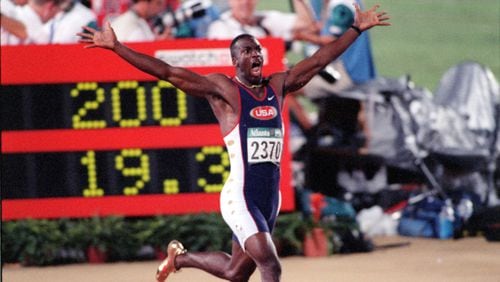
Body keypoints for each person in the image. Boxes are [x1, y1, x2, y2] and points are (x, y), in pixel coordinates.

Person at [78, 3, 389, 281]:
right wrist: (118, 48)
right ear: (235, 61)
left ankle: (179, 258)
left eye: (257, 50)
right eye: (247, 52)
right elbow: (169, 72)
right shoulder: (224, 91)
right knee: (270, 265)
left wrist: (355, 29)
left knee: (235, 272)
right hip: (239, 198)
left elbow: (319, 60)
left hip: (269, 199)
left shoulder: (277, 86)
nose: (255, 55)